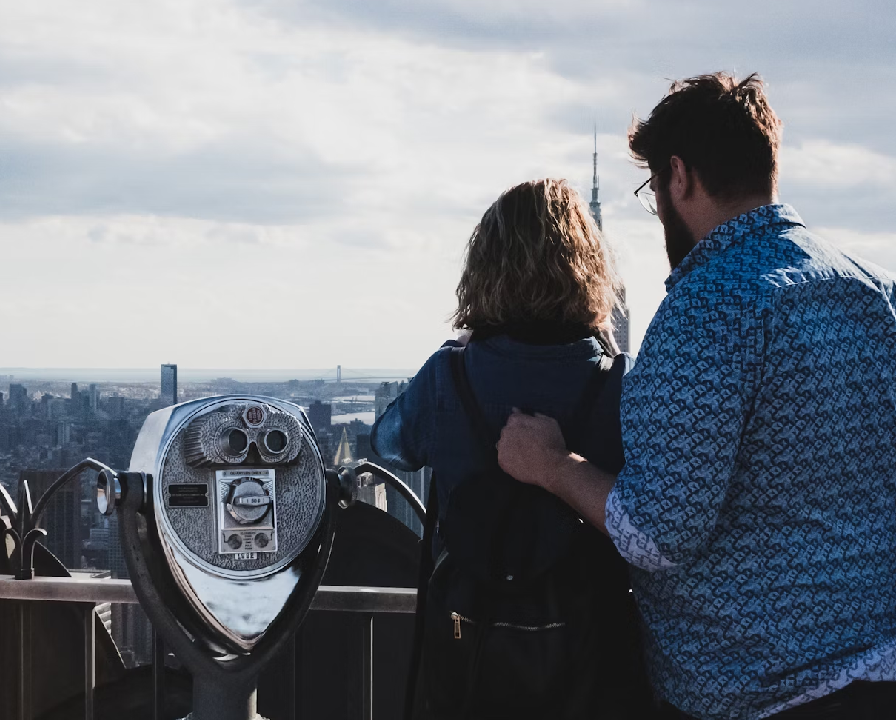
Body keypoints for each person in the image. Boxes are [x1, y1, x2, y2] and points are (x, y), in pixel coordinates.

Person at [497, 73, 896, 719]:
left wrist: (552, 466)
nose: (657, 205)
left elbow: (658, 532)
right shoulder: (875, 291)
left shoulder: (710, 303)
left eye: (653, 186)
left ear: (678, 176)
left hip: (760, 691)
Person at [372, 178, 651, 718]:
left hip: (473, 648)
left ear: (484, 268)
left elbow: (390, 441)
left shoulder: (449, 376)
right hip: (591, 658)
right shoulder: (621, 385)